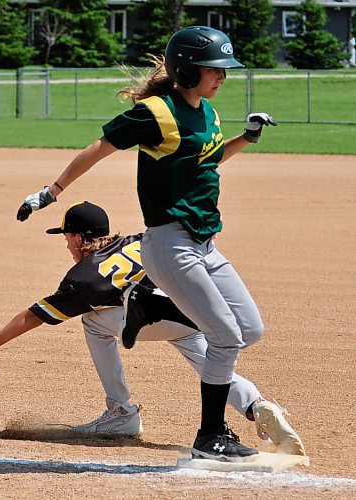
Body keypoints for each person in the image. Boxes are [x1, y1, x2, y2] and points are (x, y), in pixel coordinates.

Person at [15, 26, 279, 461]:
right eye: (216, 69)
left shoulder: (207, 113)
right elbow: (99, 147)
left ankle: (152, 310)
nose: (223, 77)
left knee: (249, 330)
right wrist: (51, 192)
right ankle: (210, 436)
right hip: (169, 242)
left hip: (205, 245)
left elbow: (208, 160)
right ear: (189, 69)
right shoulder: (157, 112)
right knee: (226, 337)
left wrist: (246, 138)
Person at [0, 201, 305, 456]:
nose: (67, 246)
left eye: (67, 238)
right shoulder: (137, 240)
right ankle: (255, 405)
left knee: (93, 321)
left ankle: (120, 410)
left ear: (80, 238)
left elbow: (35, 315)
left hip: (152, 316)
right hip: (194, 313)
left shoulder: (84, 276)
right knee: (207, 360)